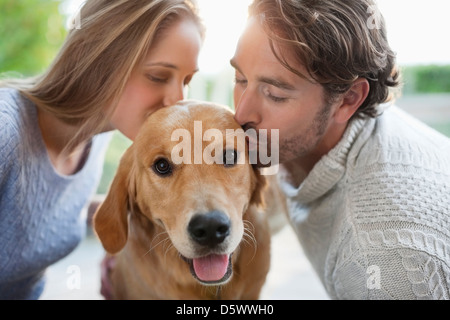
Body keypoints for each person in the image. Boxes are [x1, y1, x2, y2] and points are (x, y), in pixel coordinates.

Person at [231, 0, 450, 299]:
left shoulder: (382, 262)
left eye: (275, 94)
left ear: (348, 100)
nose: (241, 113)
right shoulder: (289, 141)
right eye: (240, 79)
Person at [0, 0, 204, 300]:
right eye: (158, 77)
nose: (177, 99)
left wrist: (122, 229)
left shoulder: (99, 138)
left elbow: (45, 208)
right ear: (98, 57)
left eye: (186, 81)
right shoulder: (6, 132)